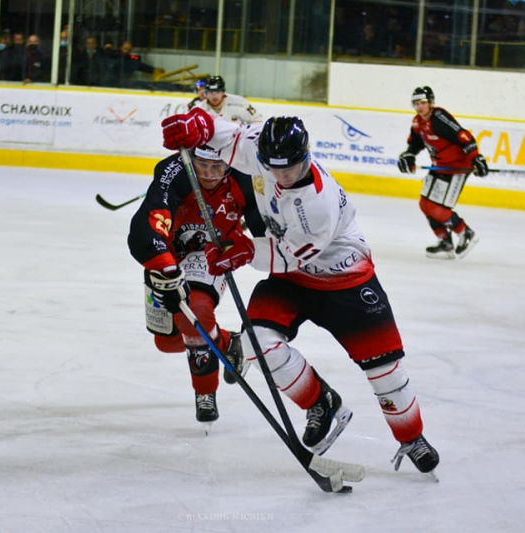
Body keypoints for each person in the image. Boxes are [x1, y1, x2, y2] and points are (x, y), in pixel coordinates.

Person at [159, 107, 440, 473]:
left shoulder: (317, 205)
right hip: (292, 281)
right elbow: (224, 134)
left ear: (306, 156)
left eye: (289, 168)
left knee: (385, 371)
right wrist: (197, 125)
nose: (280, 175)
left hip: (345, 282)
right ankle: (321, 403)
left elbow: (288, 255)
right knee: (257, 342)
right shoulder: (264, 148)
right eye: (272, 167)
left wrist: (241, 250)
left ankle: (411, 436)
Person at [127, 145, 265, 430]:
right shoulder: (174, 171)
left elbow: (264, 226)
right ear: (190, 159)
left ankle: (205, 392)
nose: (210, 174)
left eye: (218, 167)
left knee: (197, 312)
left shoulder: (243, 176)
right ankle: (229, 343)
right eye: (203, 166)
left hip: (213, 252)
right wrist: (163, 263)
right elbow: (148, 221)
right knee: (166, 341)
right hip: (170, 255)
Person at [397, 86, 488, 259]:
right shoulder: (417, 122)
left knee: (437, 208)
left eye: (423, 103)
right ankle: (445, 242)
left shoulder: (438, 117)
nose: (420, 107)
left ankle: (466, 233)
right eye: (416, 103)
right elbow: (415, 144)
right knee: (424, 205)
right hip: (439, 166)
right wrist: (409, 155)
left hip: (457, 167)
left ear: (431, 102)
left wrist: (476, 157)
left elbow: (462, 135)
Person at [194, 76, 263, 125]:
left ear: (223, 92)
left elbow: (257, 121)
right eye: (211, 93)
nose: (214, 96)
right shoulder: (198, 109)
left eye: (217, 92)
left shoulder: (240, 103)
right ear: (206, 93)